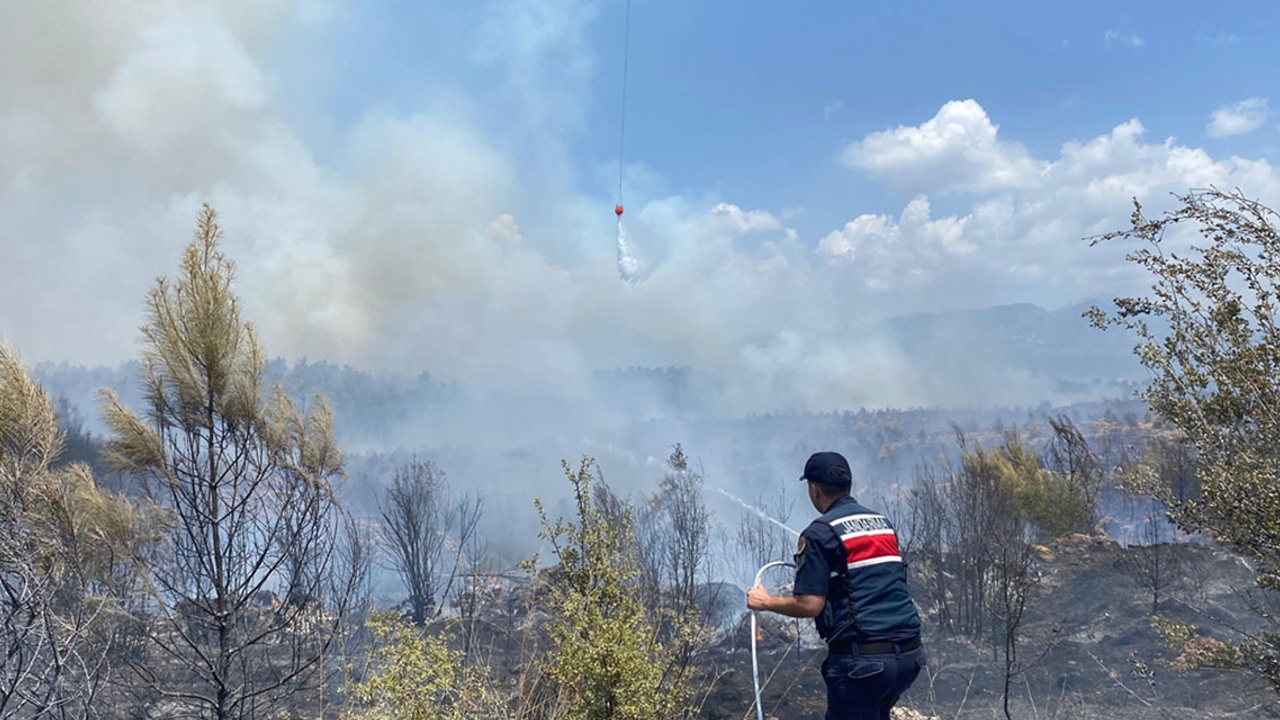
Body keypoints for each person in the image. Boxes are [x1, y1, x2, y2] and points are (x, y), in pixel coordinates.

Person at [747, 451, 925, 720]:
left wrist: (765, 601)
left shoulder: (818, 533)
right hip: (909, 657)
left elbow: (810, 604)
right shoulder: (882, 524)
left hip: (863, 663)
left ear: (814, 489)